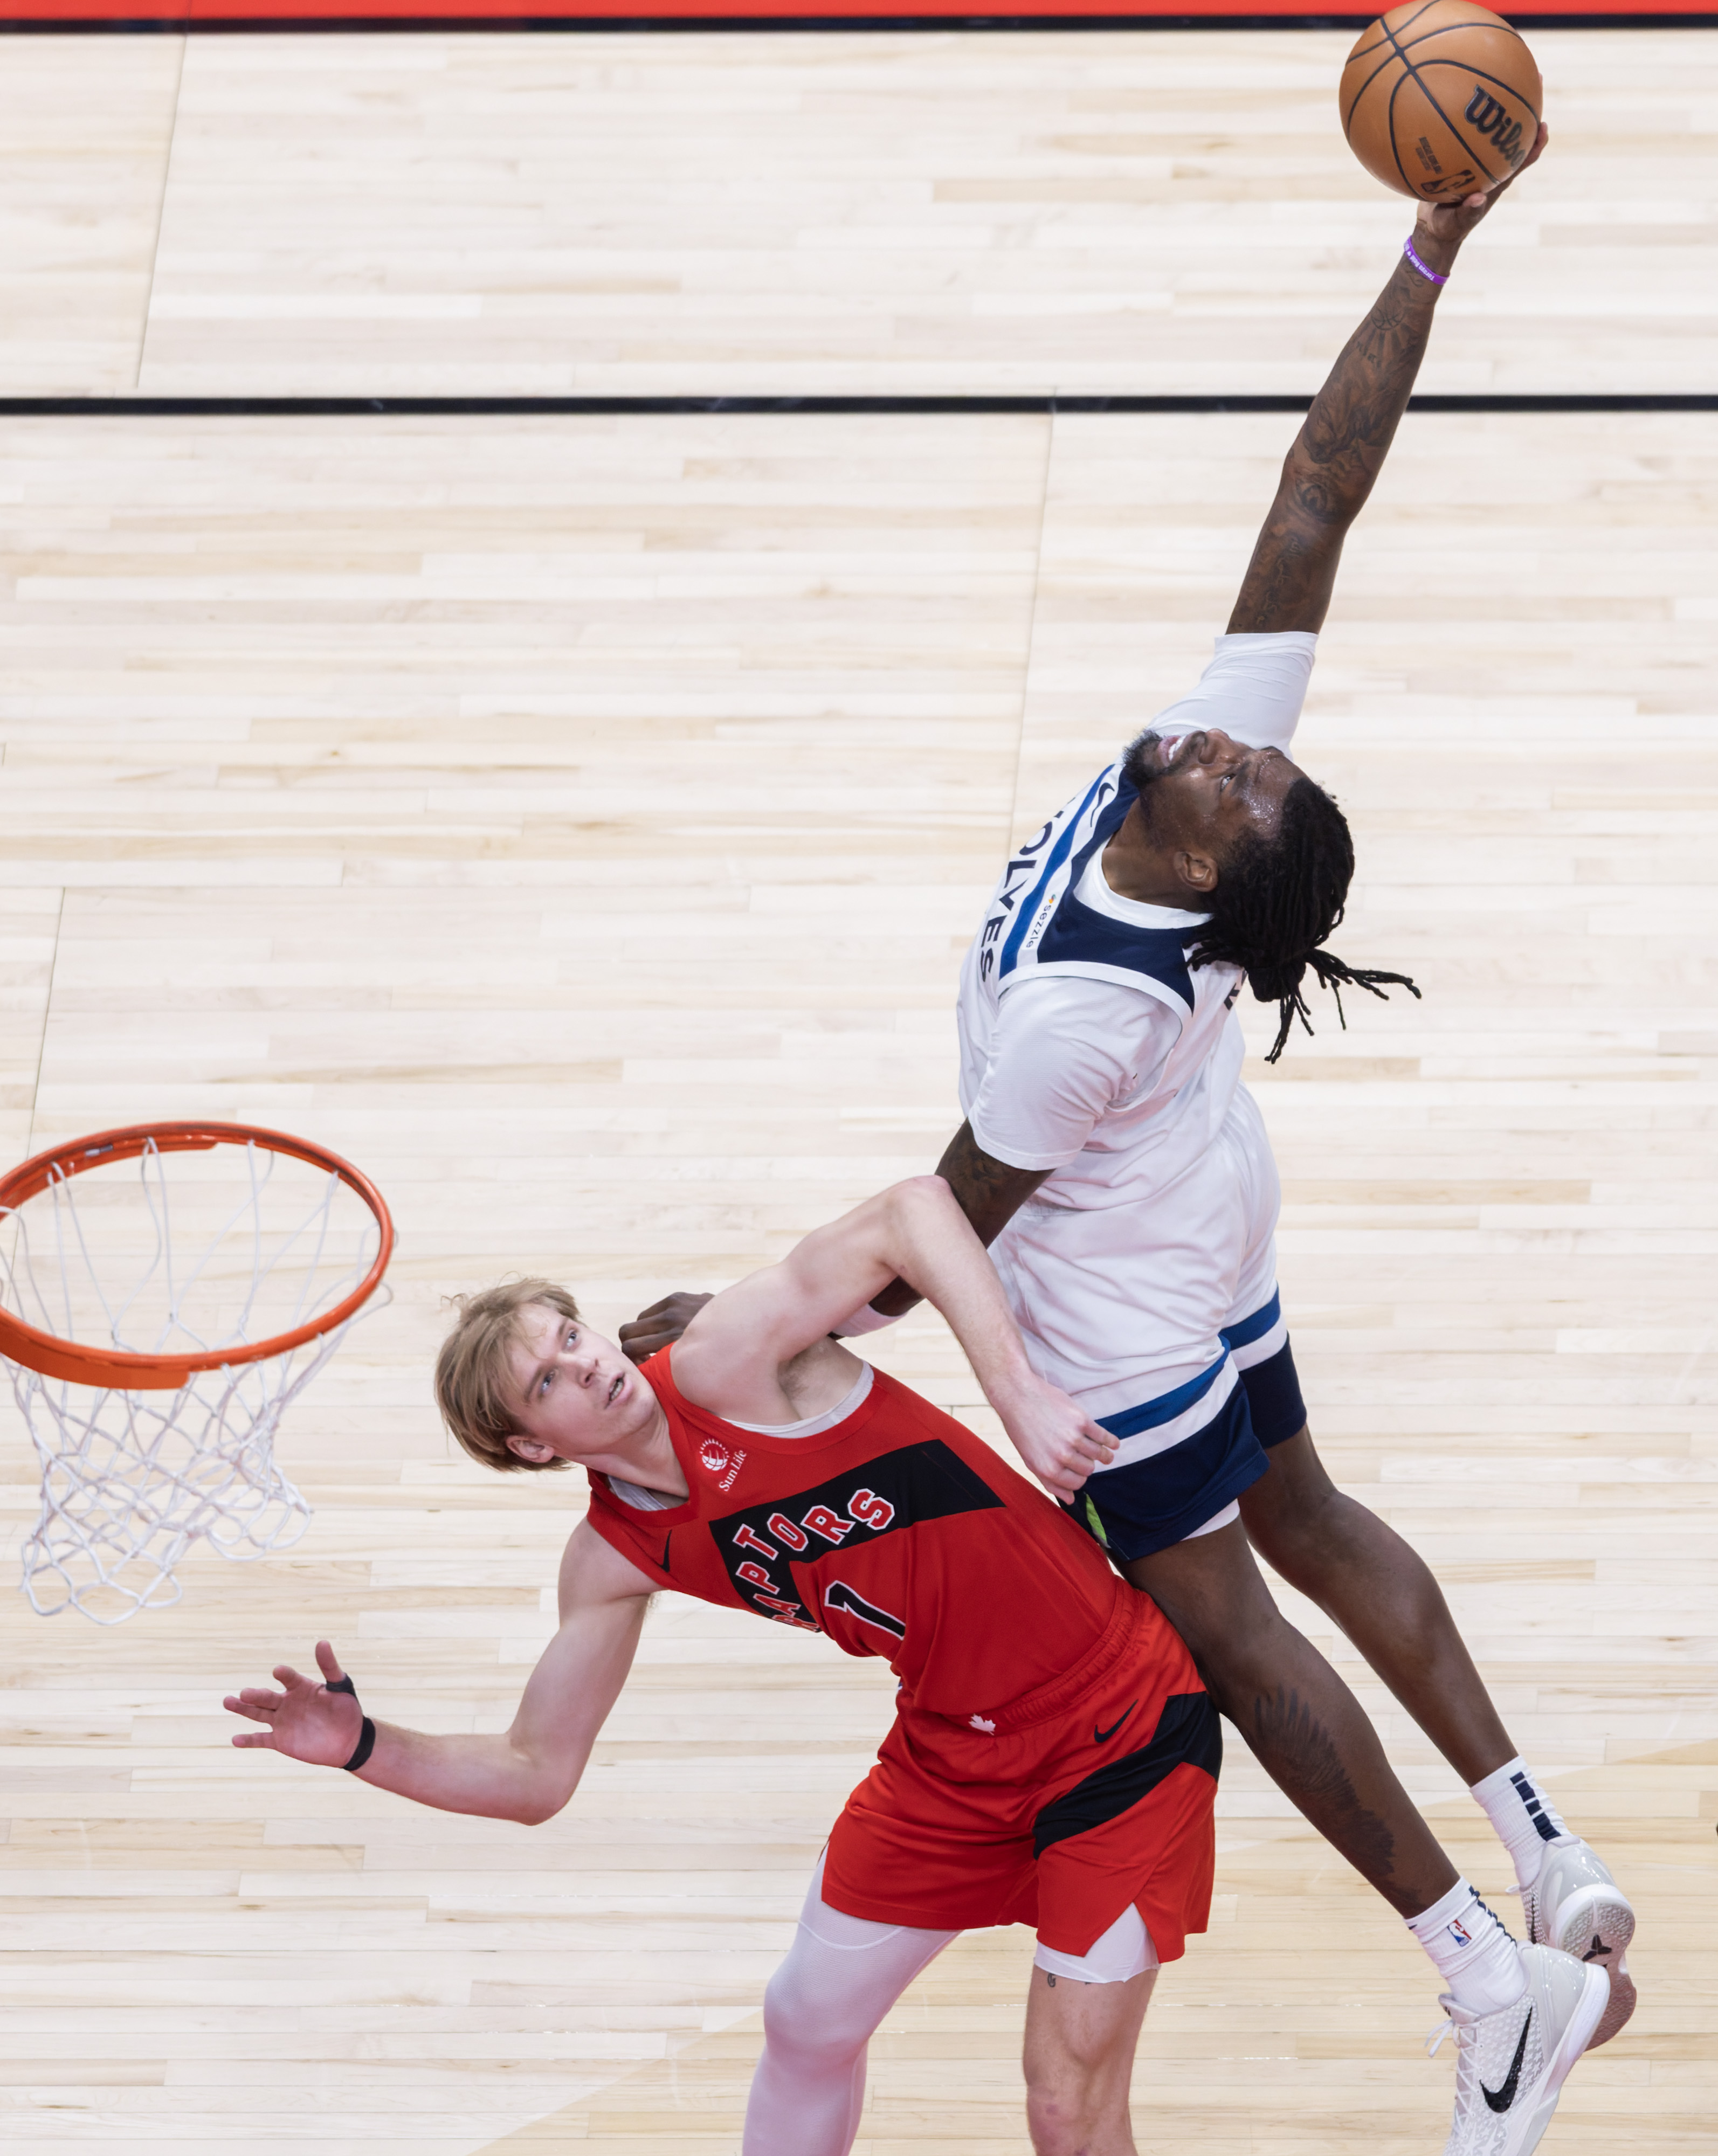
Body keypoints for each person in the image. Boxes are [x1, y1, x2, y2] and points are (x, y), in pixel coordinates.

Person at [622, 132, 1631, 2152]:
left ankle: (1488, 1979)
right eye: (1254, 752)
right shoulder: (1188, 793)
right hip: (1209, 1221)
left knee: (1230, 1633)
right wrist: (1425, 253)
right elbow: (1315, 495)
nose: (1237, 744)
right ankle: (1543, 1849)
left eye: (1241, 781)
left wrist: (737, 1336)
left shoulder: (1087, 1010)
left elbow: (938, 1220)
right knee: (1320, 1512)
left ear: (1207, 868)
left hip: (1120, 1317)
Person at [228, 1177, 1240, 2156]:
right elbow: (536, 1774)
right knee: (805, 2024)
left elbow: (912, 1211)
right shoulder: (614, 1559)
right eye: (548, 1381)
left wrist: (1015, 1393)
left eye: (570, 1337)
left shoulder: (724, 1363)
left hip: (1124, 1728)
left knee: (1064, 2111)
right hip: (953, 1758)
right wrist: (361, 1744)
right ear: (533, 1449)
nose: (584, 1366)